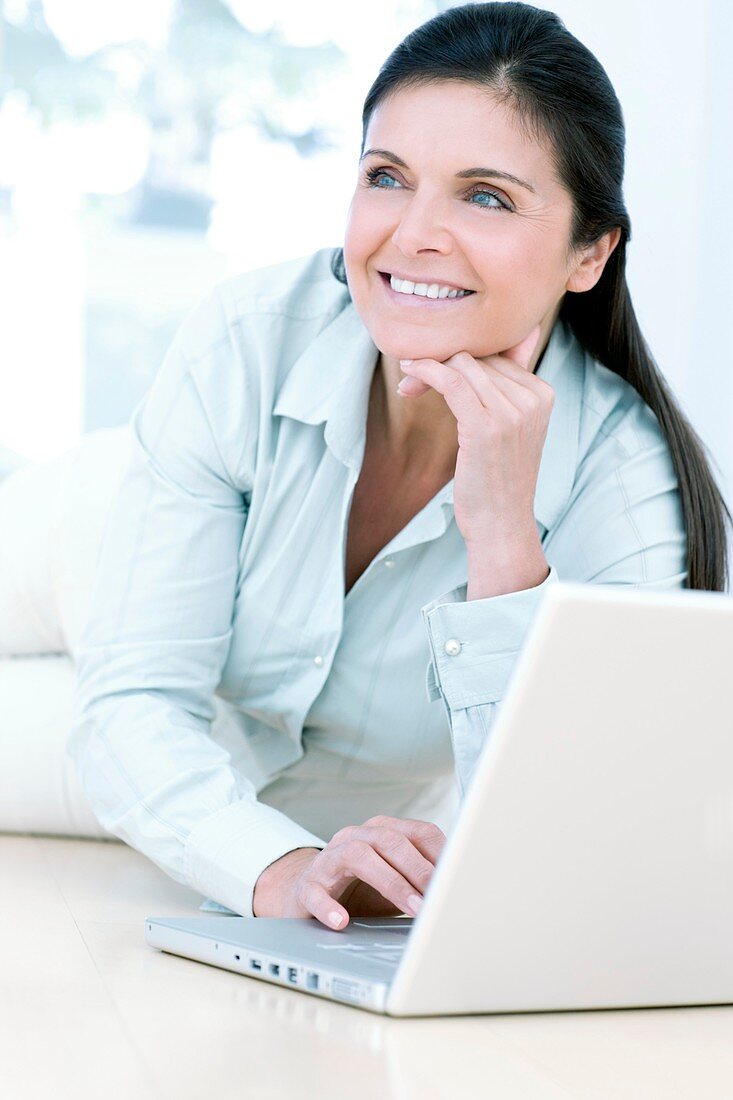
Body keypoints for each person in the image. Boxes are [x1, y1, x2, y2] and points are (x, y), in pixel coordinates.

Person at [68, 1, 730, 932]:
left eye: (485, 195)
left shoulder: (621, 480)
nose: (412, 233)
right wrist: (277, 868)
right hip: (74, 546)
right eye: (387, 177)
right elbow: (133, 701)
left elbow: (577, 832)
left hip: (229, 756)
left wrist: (504, 543)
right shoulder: (249, 340)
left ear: (590, 252)